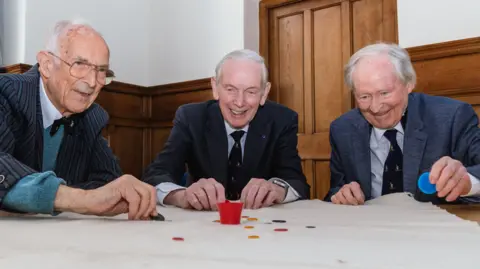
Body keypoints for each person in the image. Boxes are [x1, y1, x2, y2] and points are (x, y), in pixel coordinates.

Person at [0, 20, 157, 220]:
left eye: (101, 71)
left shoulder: (92, 117)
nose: (92, 82)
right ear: (47, 65)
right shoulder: (6, 93)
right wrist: (82, 200)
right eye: (80, 65)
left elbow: (106, 183)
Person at [143, 49, 310, 210]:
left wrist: (277, 190)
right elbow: (157, 174)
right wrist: (182, 196)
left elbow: (297, 183)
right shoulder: (191, 118)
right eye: (230, 89)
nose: (239, 102)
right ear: (215, 88)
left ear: (264, 93)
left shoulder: (282, 120)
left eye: (251, 92)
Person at [325, 42, 480, 205]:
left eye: (384, 93)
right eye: (364, 97)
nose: (375, 107)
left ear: (409, 84)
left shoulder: (452, 117)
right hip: (369, 226)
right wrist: (342, 194)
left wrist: (467, 182)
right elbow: (336, 189)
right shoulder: (342, 129)